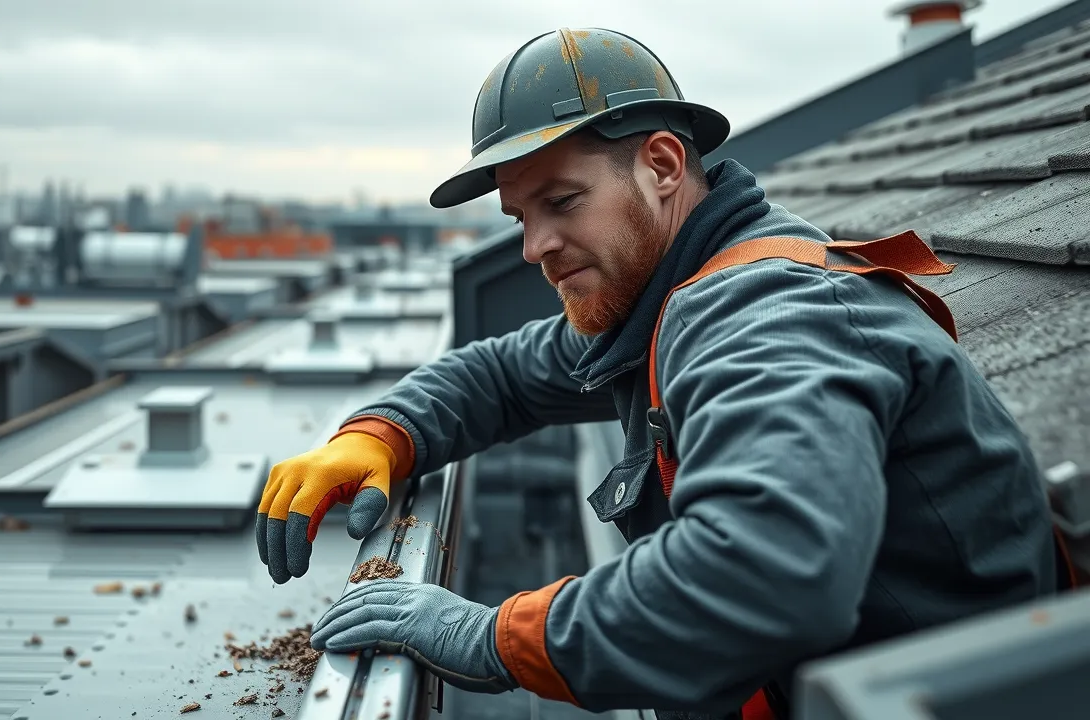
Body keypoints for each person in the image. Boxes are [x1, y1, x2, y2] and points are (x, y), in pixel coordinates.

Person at [255, 27, 1063, 720]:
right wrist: (381, 436)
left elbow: (764, 579)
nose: (534, 247)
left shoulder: (764, 317)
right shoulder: (661, 293)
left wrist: (491, 636)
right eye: (520, 218)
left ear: (664, 165)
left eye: (563, 202)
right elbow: (502, 374)